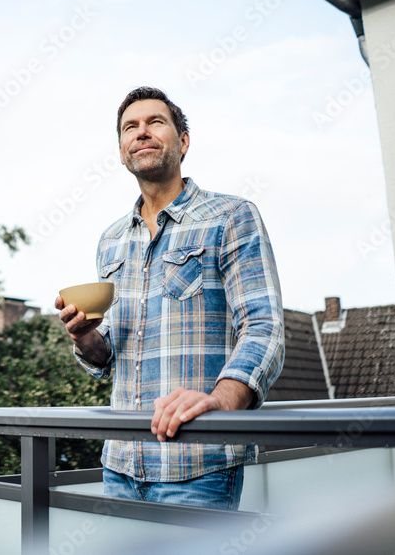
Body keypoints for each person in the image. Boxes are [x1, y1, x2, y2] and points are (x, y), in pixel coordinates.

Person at [55, 86, 284, 511]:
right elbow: (109, 355)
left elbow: (264, 328)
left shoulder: (232, 217)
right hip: (119, 465)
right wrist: (87, 339)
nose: (141, 132)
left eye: (155, 122)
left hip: (198, 463)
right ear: (122, 150)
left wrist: (220, 401)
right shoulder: (111, 240)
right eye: (130, 127)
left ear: (183, 141)